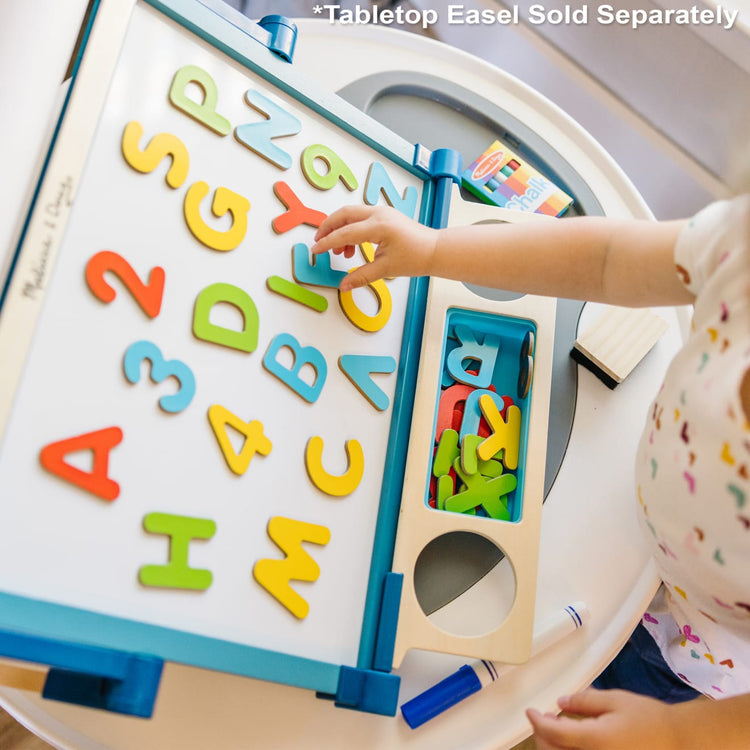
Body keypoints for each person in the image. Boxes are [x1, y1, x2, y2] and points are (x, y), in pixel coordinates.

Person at [311, 196, 750, 749]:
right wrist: (437, 247)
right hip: (627, 519)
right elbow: (607, 259)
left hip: (700, 676)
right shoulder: (741, 246)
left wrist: (675, 735)